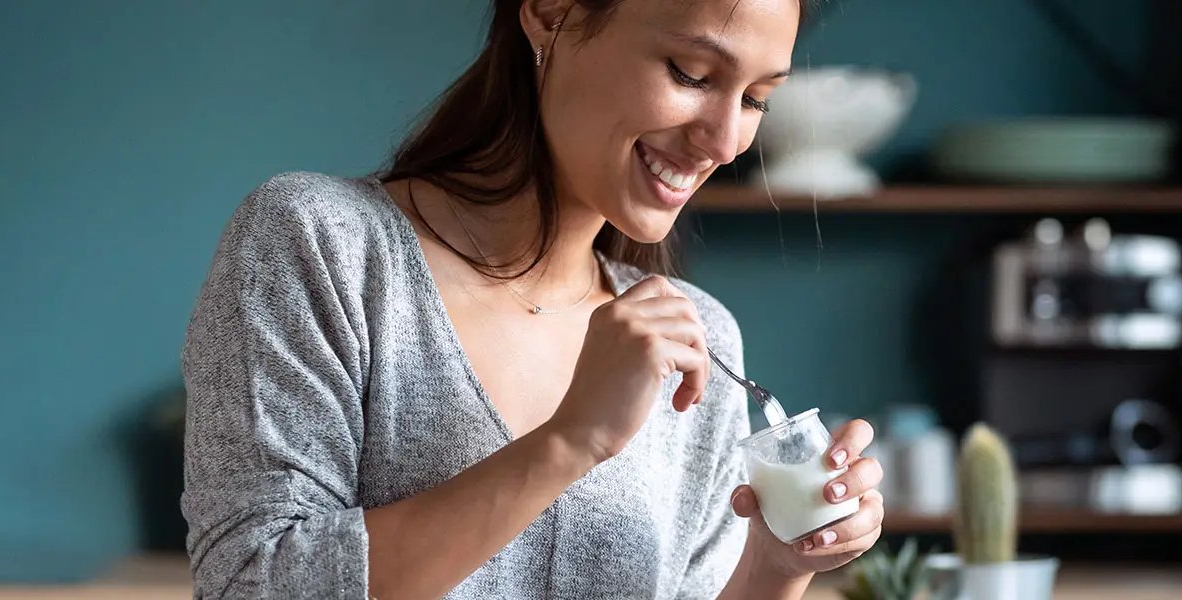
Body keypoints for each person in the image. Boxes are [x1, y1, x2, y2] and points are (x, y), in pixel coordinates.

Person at [180, 0, 885, 597]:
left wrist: (775, 565)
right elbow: (249, 581)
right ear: (550, 14)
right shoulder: (320, 245)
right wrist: (570, 441)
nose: (726, 141)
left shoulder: (698, 338)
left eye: (757, 98)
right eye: (691, 74)